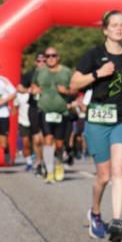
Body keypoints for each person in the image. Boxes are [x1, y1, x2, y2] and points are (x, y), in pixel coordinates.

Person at [70, 10, 122, 242]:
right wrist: (98, 73)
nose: (119, 28)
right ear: (105, 29)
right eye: (114, 25)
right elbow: (74, 84)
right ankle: (95, 212)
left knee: (118, 170)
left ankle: (117, 221)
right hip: (98, 119)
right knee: (103, 176)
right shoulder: (93, 55)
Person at [33, 46, 75, 183]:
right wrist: (34, 90)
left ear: (58, 57)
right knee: (47, 139)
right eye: (48, 56)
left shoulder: (66, 72)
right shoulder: (40, 71)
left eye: (53, 55)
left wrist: (66, 91)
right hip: (45, 110)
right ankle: (49, 172)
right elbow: (33, 85)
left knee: (59, 144)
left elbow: (75, 89)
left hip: (61, 112)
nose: (50, 58)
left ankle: (59, 164)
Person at [18, 52, 45, 173]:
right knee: (36, 138)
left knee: (47, 137)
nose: (41, 63)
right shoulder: (30, 74)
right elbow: (19, 87)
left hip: (48, 108)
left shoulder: (53, 73)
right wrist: (28, 90)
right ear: (35, 62)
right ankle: (38, 161)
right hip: (34, 108)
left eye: (44, 61)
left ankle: (48, 160)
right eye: (39, 61)